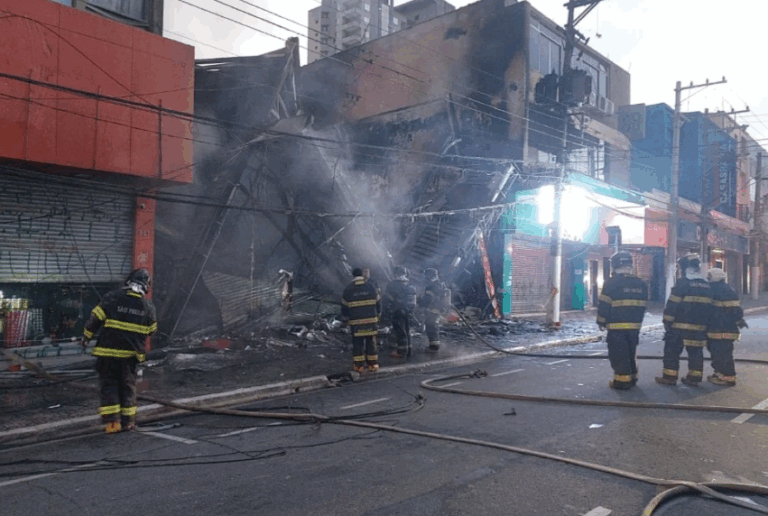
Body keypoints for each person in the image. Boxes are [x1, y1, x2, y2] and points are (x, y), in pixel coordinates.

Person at [83, 268, 157, 434]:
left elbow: (95, 319)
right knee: (127, 386)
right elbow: (152, 330)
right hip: (131, 356)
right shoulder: (148, 306)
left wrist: (86, 337)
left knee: (109, 385)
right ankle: (128, 422)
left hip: (108, 353)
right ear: (146, 286)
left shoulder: (112, 298)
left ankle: (112, 423)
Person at [655, 254, 714, 387]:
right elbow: (710, 308)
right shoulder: (706, 285)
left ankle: (670, 378)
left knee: (672, 351)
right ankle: (694, 378)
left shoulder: (683, 283)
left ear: (684, 267)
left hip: (679, 328)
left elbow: (673, 305)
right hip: (699, 328)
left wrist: (667, 321)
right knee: (696, 353)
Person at [596, 251, 648, 389]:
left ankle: (622, 382)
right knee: (631, 351)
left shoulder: (611, 283)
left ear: (615, 265)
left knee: (619, 353)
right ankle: (633, 377)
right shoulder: (641, 284)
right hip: (635, 326)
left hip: (616, 326)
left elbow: (604, 304)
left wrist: (601, 321)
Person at [706, 267, 746, 386]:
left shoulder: (712, 290)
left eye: (709, 277)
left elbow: (707, 310)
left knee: (718, 353)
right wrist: (740, 323)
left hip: (717, 329)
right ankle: (720, 374)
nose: (708, 279)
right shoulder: (730, 289)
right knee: (726, 352)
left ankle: (727, 376)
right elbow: (737, 311)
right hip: (730, 329)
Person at [341, 267, 381, 373]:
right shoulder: (371, 286)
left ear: (353, 276)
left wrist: (345, 320)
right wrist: (378, 315)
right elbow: (378, 302)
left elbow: (344, 308)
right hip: (371, 321)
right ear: (362, 276)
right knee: (371, 343)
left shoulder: (348, 289)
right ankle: (373, 366)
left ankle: (359, 367)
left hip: (356, 323)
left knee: (357, 344)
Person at [384, 266, 417, 359]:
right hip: (409, 311)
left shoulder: (392, 285)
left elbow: (387, 299)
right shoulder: (411, 284)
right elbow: (413, 300)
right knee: (407, 330)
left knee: (400, 331)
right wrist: (410, 310)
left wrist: (388, 310)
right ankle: (408, 350)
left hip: (397, 311)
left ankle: (401, 352)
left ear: (396, 273)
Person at [419, 268, 449, 352]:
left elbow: (427, 299)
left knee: (431, 327)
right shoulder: (441, 284)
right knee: (434, 326)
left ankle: (434, 347)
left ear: (429, 276)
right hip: (438, 309)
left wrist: (420, 301)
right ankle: (434, 346)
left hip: (432, 309)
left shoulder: (431, 286)